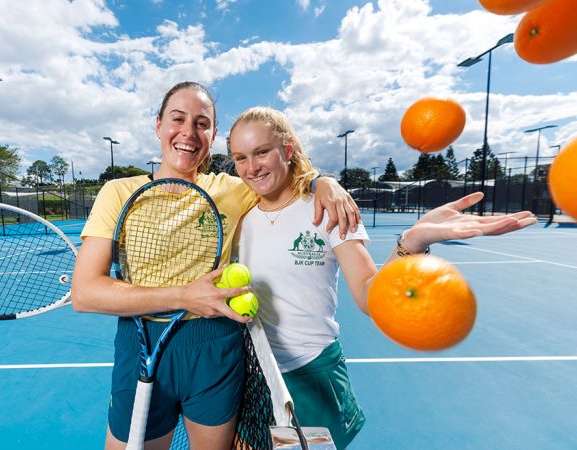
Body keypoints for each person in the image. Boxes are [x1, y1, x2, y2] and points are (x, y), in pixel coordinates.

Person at [70, 82, 360, 450]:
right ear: (159, 124)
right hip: (142, 342)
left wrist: (324, 180)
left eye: (202, 123)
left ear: (213, 134)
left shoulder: (233, 188)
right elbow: (84, 293)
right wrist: (184, 296)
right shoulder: (117, 192)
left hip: (215, 346)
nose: (188, 132)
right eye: (178, 119)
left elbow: (284, 176)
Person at [227, 106, 537, 449]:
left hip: (313, 373)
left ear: (286, 149)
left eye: (261, 152)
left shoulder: (329, 208)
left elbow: (369, 296)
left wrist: (413, 241)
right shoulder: (239, 216)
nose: (251, 167)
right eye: (240, 157)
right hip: (254, 375)